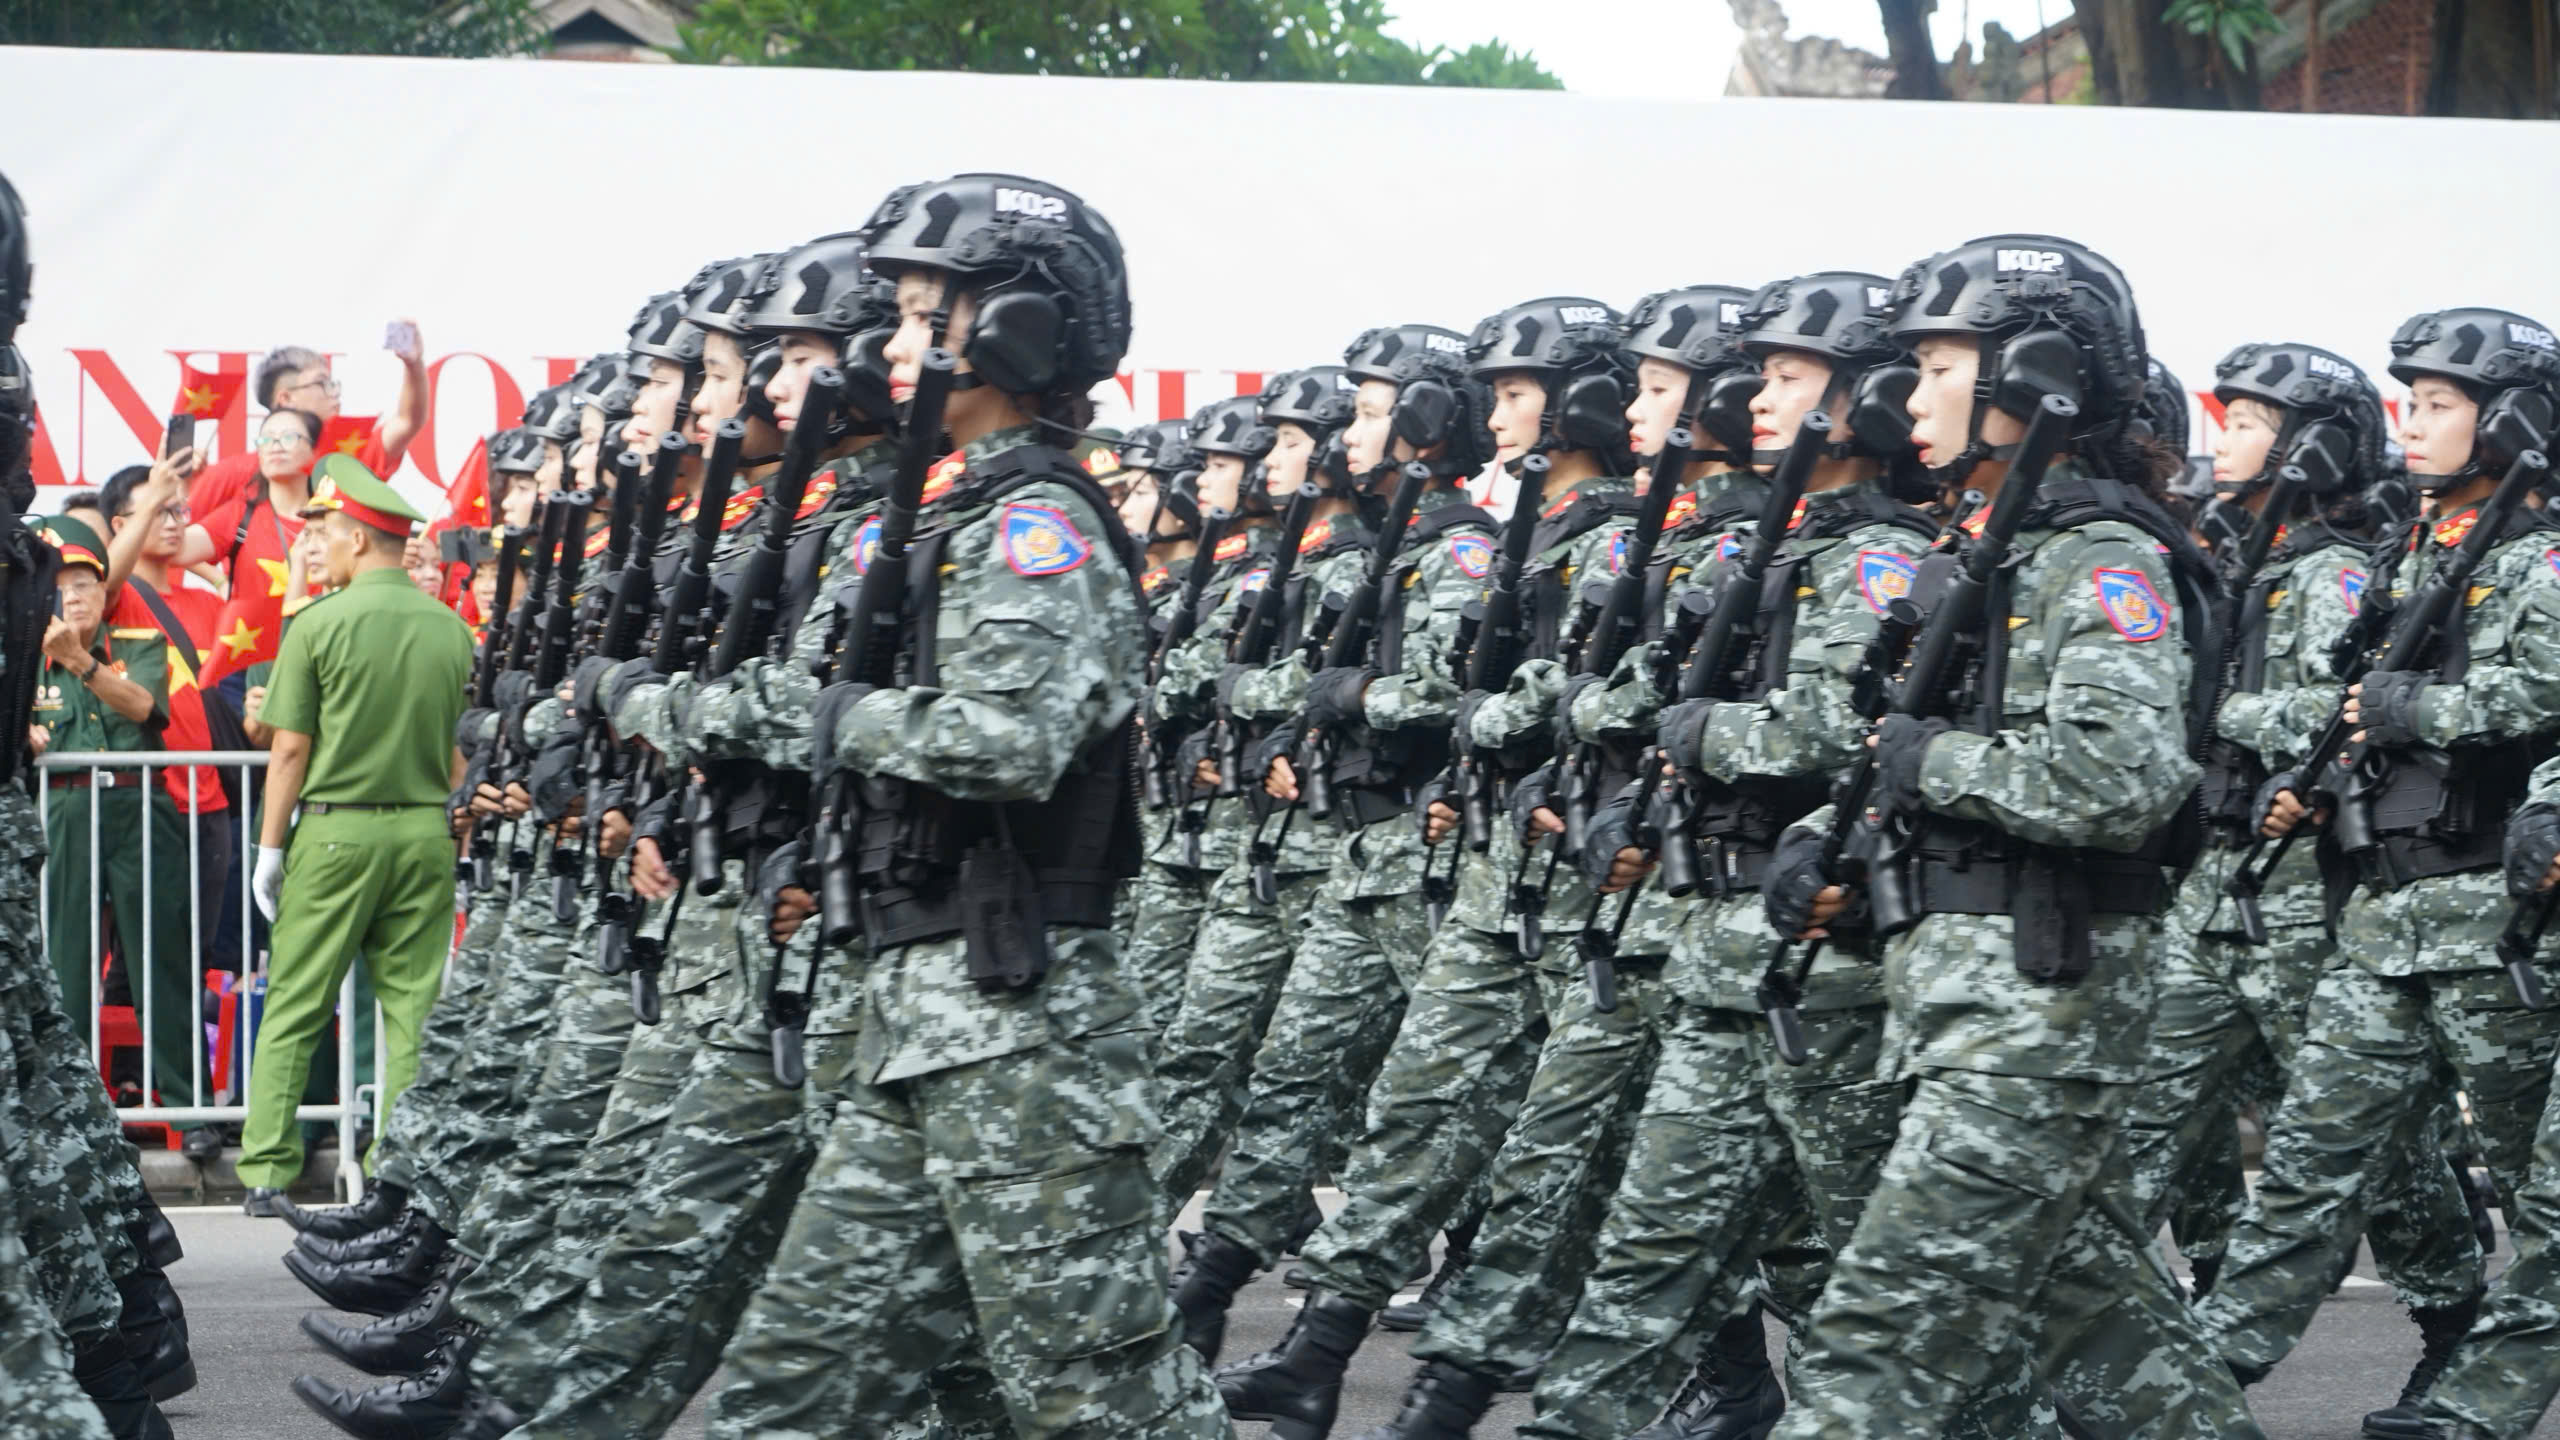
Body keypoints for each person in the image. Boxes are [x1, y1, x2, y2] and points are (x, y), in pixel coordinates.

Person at [701, 171, 1230, 1440]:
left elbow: (1013, 743)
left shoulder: (1036, 521)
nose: (891, 342)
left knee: (1101, 1402)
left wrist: (827, 717)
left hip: (1022, 1031)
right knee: (794, 1384)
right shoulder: (954, 504)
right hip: (919, 1013)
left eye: (922, 313)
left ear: (1014, 329)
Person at [1757, 236, 2261, 1438]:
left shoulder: (2099, 555)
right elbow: (1906, 744)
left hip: (2034, 1015)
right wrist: (1826, 842)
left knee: (1872, 1346)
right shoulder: (1991, 548)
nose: (1910, 397)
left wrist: (1921, 761)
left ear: (2033, 375)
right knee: (2111, 1345)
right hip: (1964, 1006)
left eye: (1940, 367)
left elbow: (2115, 782)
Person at [2109, 342, 2488, 1433]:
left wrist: (2214, 715)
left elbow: (2342, 709)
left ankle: (2452, 1319)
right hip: (2216, 878)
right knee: (2145, 1112)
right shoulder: (2243, 556)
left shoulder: (2330, 572)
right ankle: (2130, 1350)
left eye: (2247, 423)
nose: (2221, 438)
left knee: (2368, 1141)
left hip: (2290, 890)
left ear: (2307, 448)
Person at [2195, 308, 2560, 1416]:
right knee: (2309, 1165)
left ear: (2511, 423)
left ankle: (2478, 1391)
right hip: (2381, 918)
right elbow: (2359, 709)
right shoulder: (2417, 551)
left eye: (2439, 404)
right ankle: (2187, 1390)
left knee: (2536, 1194)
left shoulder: (2538, 560)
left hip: (2492, 924)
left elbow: (2544, 693)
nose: (2411, 422)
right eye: (2408, 402)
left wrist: (2417, 709)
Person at [1168, 322, 1498, 1363]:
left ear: (1423, 423)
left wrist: (1336, 695)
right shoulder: (1381, 549)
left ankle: (1483, 1269)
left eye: (1367, 413)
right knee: (1295, 1075)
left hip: (1420, 850)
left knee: (1456, 1090)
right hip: (1352, 848)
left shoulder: (1458, 549)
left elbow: (1449, 693)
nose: (1340, 438)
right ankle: (1211, 1295)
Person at [236, 453, 473, 1215]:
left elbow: (289, 751)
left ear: (360, 539)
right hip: (425, 833)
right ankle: (395, 1170)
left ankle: (267, 1169)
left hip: (336, 833)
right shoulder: (452, 630)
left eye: (326, 533)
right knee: (411, 1012)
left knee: (296, 1002)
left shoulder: (318, 624)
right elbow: (459, 752)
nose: (317, 546)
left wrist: (269, 849)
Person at [31, 513, 205, 1135]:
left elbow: (146, 708)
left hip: (139, 807)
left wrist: (81, 661)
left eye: (85, 584)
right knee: (65, 962)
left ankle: (191, 1108)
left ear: (105, 592)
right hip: (64, 811)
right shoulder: (22, 659)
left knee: (162, 956)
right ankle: (73, 1116)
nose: (74, 597)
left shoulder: (137, 644)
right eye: (60, 587)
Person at [187, 334, 429, 521]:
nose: (334, 394)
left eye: (333, 384)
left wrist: (413, 363)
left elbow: (408, 421)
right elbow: (180, 540)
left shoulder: (348, 457)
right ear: (285, 398)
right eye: (322, 383)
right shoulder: (233, 473)